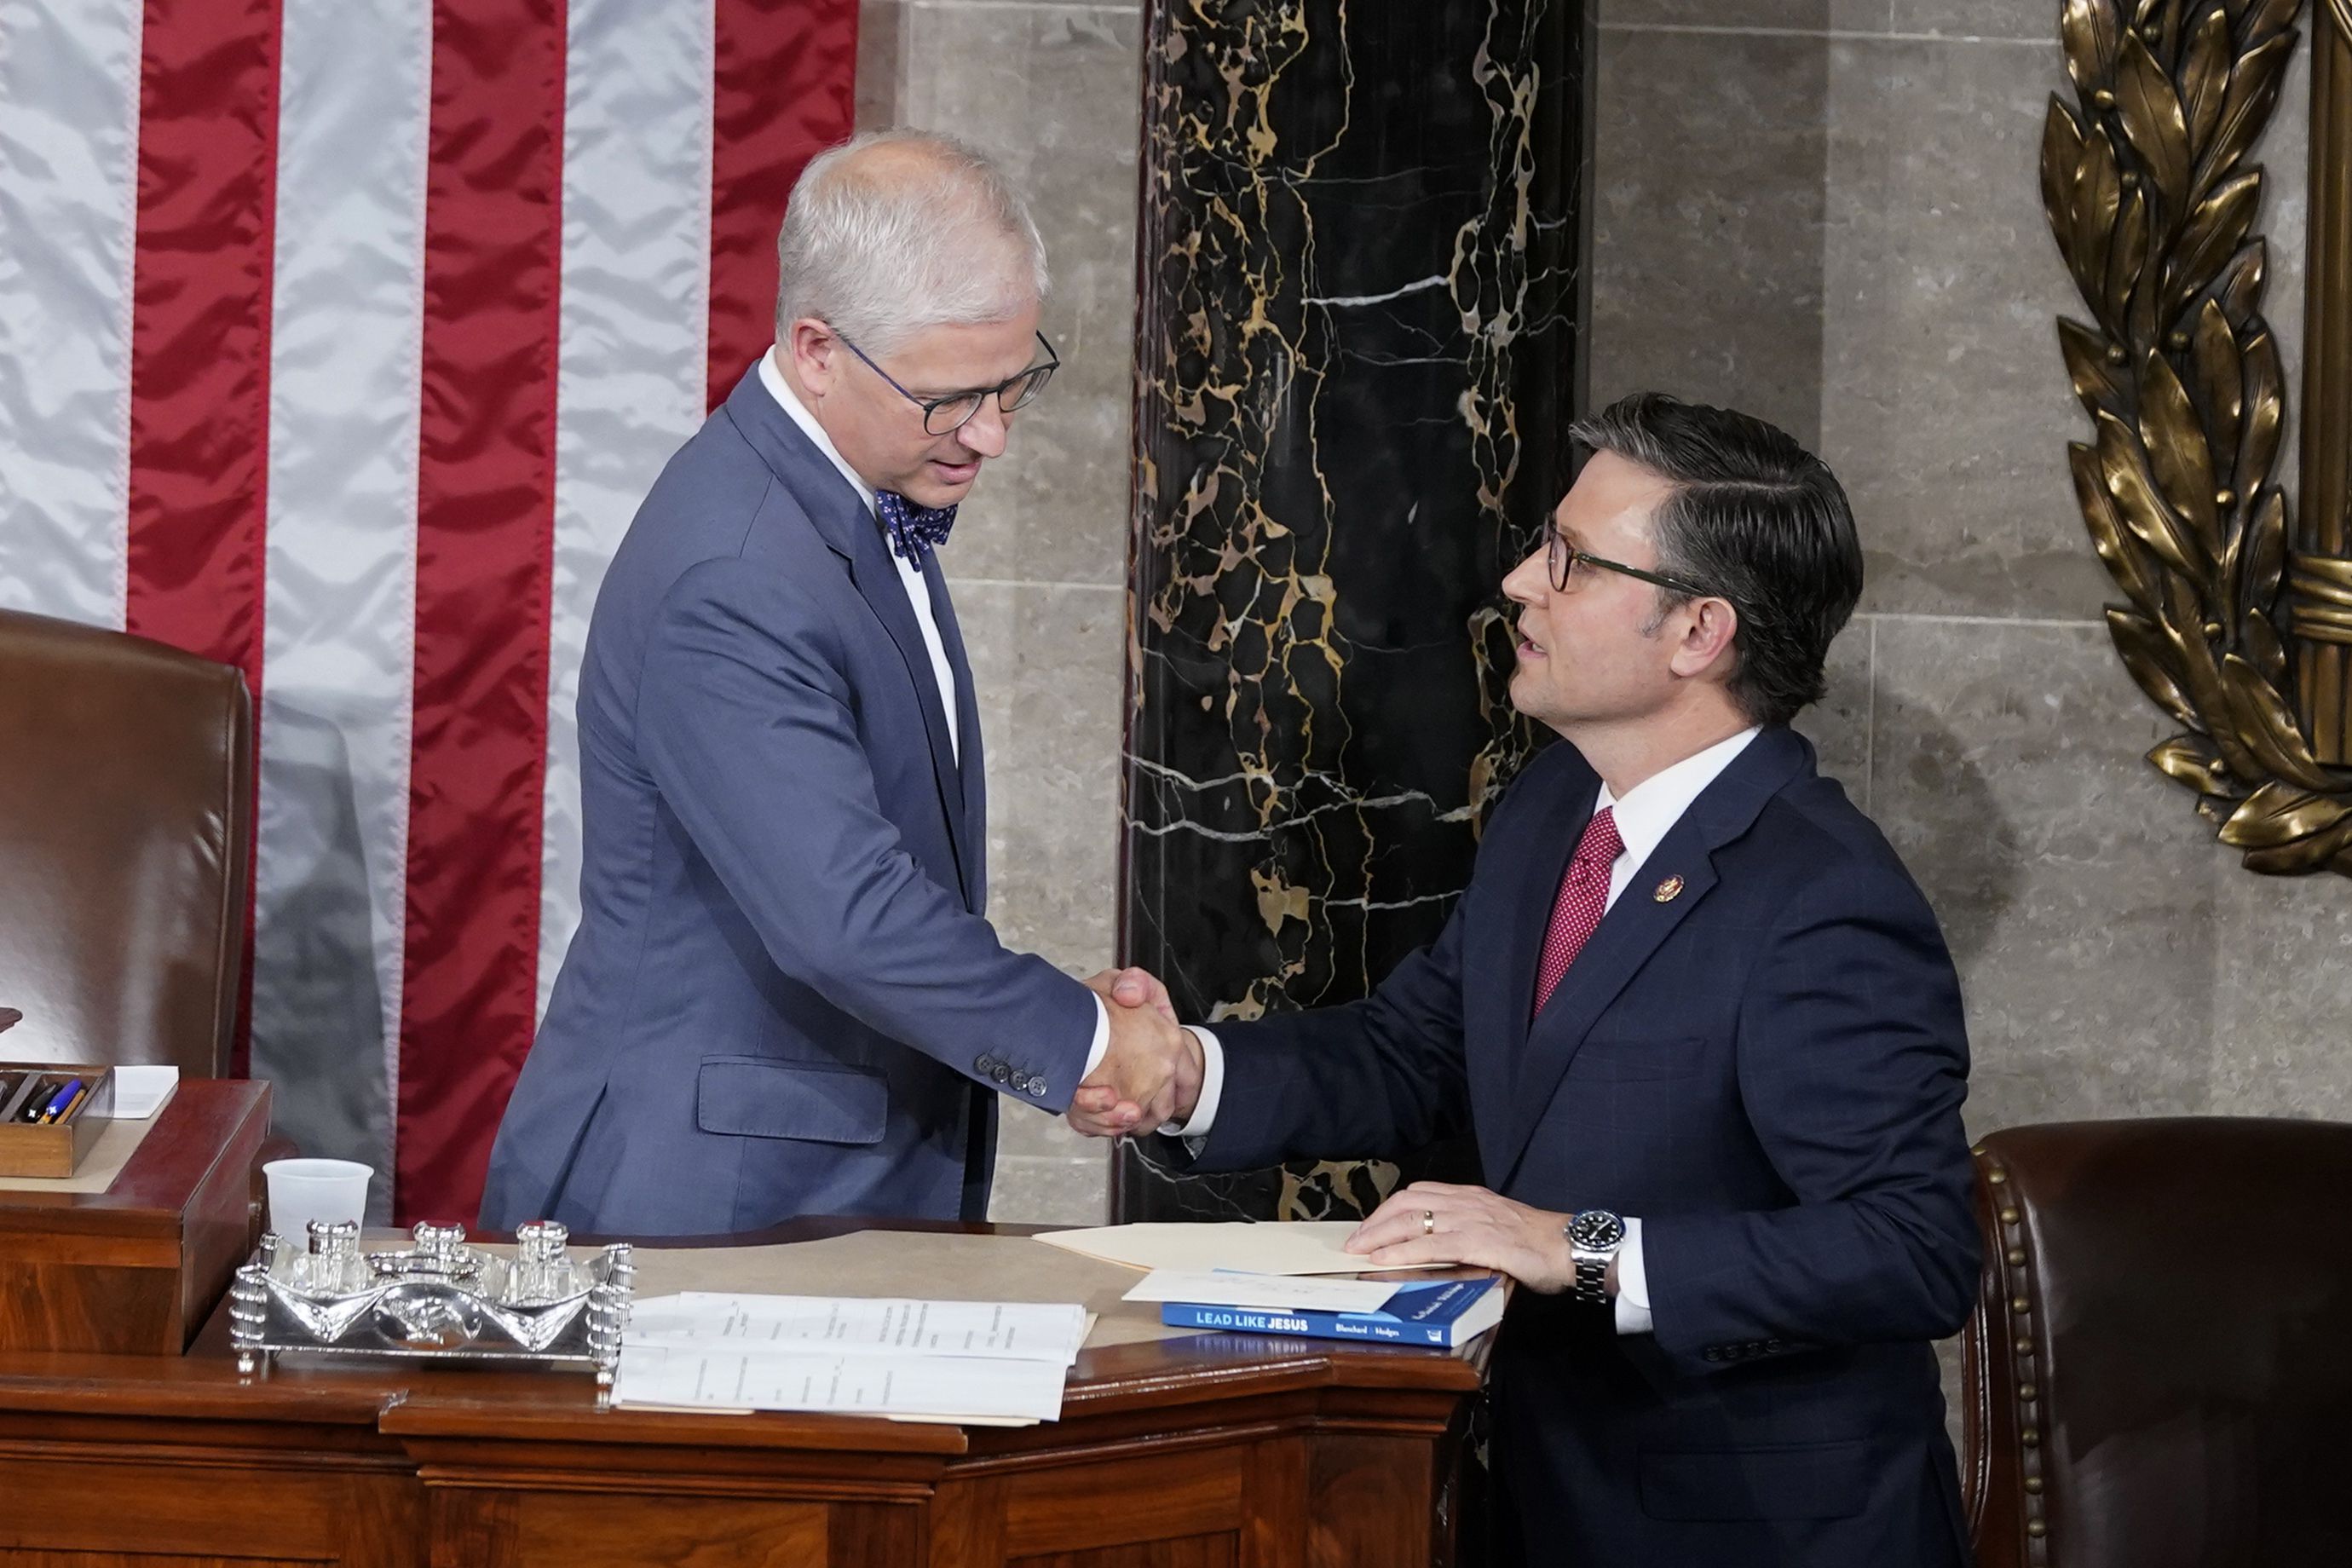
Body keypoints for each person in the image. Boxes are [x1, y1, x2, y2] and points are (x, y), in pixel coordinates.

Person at [1093, 393, 1978, 1566]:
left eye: (1570, 559)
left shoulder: (1822, 897)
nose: (1520, 580)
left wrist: (1580, 1247)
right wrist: (1186, 1073)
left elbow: (1914, 1250)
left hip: (1753, 1532)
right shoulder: (1556, 805)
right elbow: (1421, 1049)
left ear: (1698, 632)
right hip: (1548, 1498)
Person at [481, 130, 1199, 1236]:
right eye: (954, 397)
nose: (994, 435)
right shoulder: (738, 571)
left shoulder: (854, 496)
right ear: (817, 349)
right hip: (712, 1209)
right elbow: (845, 917)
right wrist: (1093, 1041)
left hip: (822, 1184)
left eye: (1016, 383)